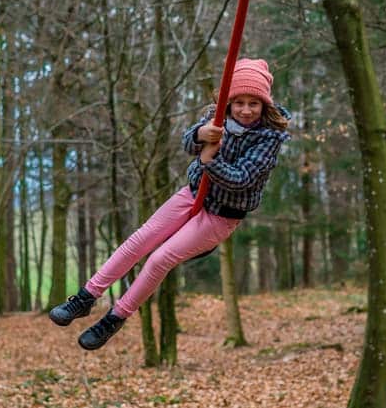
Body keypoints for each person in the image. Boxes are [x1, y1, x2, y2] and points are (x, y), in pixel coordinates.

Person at [49, 58, 290, 350]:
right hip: (191, 195)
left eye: (254, 103)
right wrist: (201, 135)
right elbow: (188, 142)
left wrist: (207, 162)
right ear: (229, 101)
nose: (246, 109)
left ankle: (115, 317)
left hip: (222, 214)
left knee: (161, 258)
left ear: (265, 105)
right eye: (239, 102)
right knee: (139, 240)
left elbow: (242, 178)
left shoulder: (270, 137)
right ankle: (86, 297)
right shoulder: (216, 117)